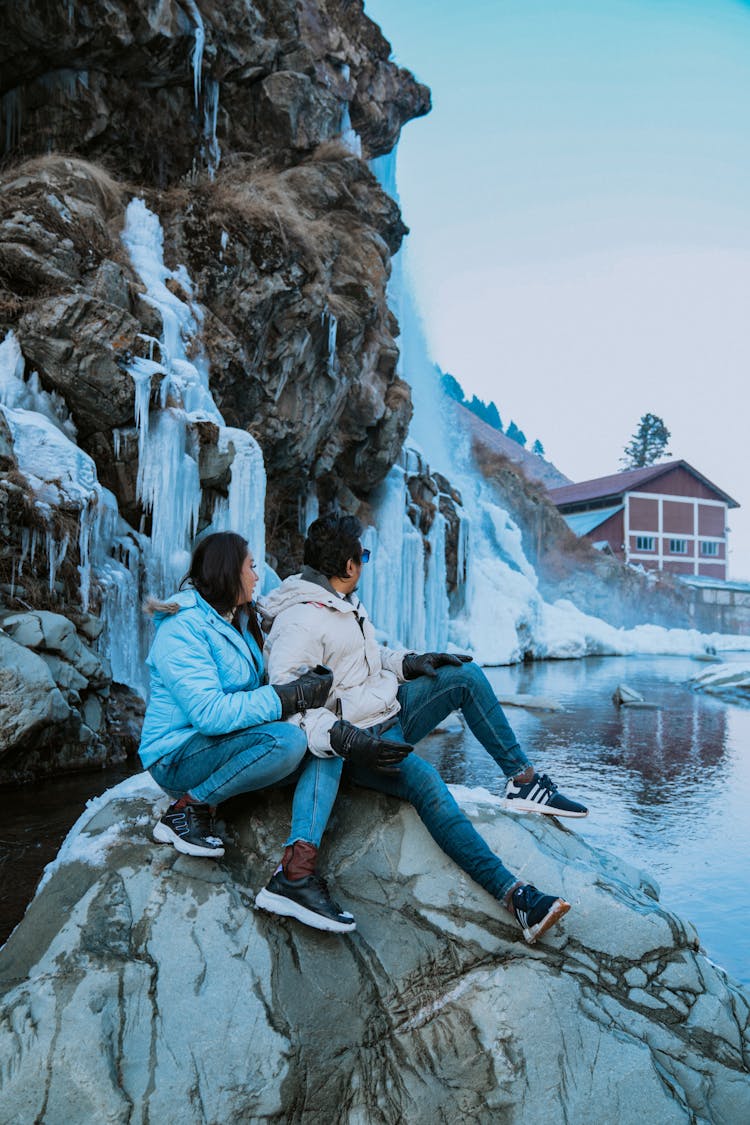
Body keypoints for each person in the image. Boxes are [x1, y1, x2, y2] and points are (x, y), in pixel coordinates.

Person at [256, 513, 588, 945]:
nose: (365, 563)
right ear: (350, 566)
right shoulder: (300, 619)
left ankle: (522, 781)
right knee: (428, 782)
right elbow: (288, 703)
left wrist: (410, 662)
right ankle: (516, 898)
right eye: (364, 555)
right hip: (357, 743)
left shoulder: (339, 601)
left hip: (388, 709)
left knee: (464, 676)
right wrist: (349, 739)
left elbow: (363, 661)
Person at [138, 531, 356, 933]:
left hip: (228, 746)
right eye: (251, 567)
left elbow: (254, 687)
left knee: (325, 741)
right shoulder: (183, 628)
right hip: (177, 755)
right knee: (288, 740)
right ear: (228, 572)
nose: (258, 576)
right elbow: (209, 714)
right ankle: (186, 812)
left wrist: (304, 687)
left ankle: (296, 873)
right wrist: (284, 699)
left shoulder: (239, 618)